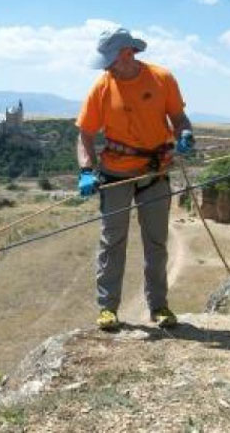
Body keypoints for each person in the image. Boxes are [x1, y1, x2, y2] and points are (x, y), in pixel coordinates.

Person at [76, 27, 195, 330]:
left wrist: (185, 133)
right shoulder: (102, 87)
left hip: (155, 171)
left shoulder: (162, 79)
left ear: (127, 54)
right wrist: (87, 170)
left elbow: (179, 118)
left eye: (110, 59)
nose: (105, 66)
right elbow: (85, 136)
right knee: (112, 241)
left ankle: (159, 307)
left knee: (156, 241)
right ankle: (107, 309)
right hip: (116, 172)